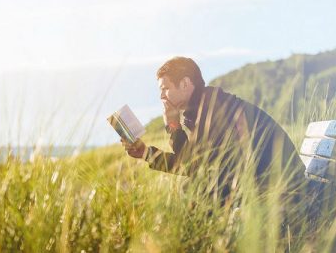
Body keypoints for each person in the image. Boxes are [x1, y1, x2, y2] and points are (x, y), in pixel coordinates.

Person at [121, 57, 307, 231]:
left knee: (195, 190)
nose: (161, 96)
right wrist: (146, 152)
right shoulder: (204, 106)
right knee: (195, 189)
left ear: (185, 84)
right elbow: (193, 163)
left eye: (165, 88)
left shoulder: (213, 109)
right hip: (266, 183)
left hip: (284, 190)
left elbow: (191, 165)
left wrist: (173, 125)